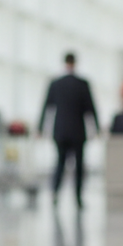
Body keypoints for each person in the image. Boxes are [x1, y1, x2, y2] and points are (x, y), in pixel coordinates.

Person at [39, 52, 99, 207]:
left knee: (60, 163)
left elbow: (46, 107)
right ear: (75, 63)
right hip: (78, 131)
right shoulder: (82, 84)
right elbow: (91, 108)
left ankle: (55, 194)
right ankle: (78, 198)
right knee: (79, 166)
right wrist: (96, 128)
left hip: (60, 131)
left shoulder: (56, 83)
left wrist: (40, 127)